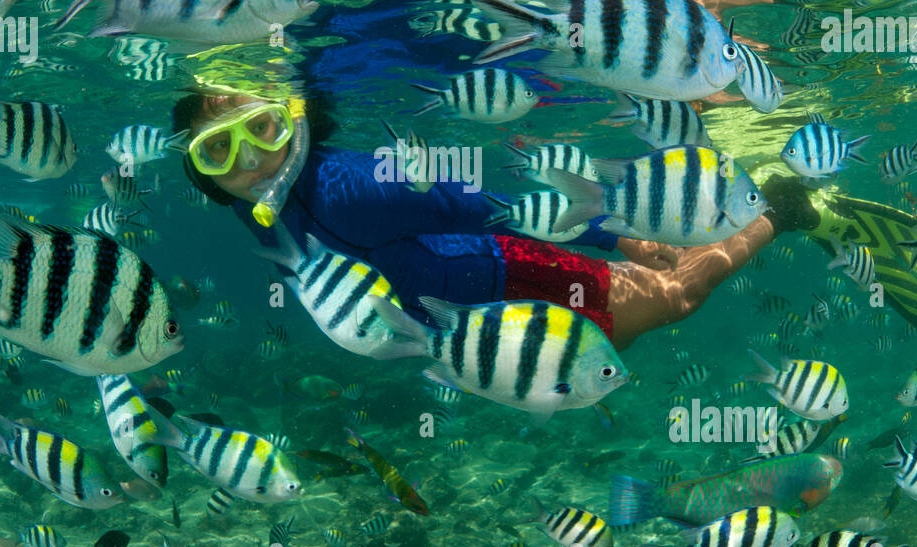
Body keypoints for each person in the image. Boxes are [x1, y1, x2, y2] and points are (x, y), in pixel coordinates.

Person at [173, 81, 821, 351]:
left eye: (260, 128)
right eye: (219, 150)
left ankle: (781, 209)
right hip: (468, 324)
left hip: (506, 276)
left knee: (676, 292)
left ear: (293, 115)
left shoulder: (355, 186)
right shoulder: (258, 207)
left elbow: (476, 197)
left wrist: (614, 233)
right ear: (201, 173)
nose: (252, 160)